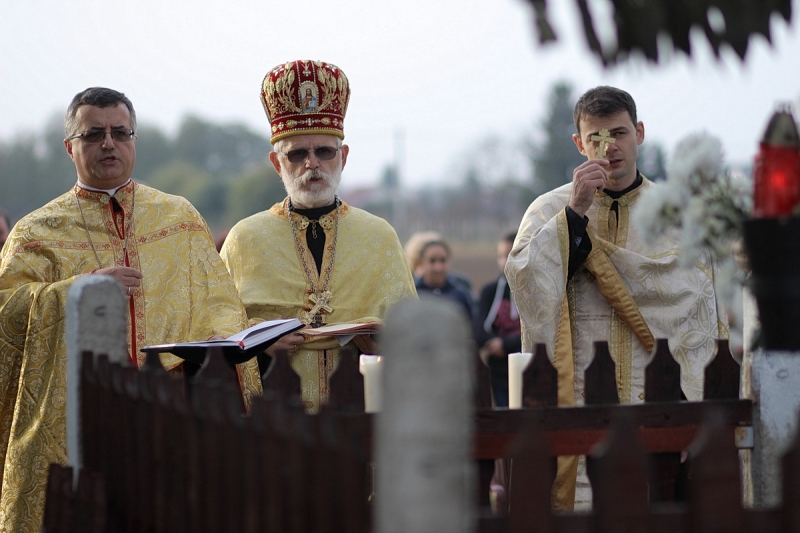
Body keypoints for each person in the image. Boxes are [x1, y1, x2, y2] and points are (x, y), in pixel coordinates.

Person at [0, 87, 262, 531]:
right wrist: (78, 291)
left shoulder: (178, 217)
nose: (108, 143)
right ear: (70, 147)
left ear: (133, 140)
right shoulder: (36, 231)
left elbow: (219, 302)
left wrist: (223, 338)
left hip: (171, 414)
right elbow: (6, 312)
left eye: (120, 132)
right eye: (94, 134)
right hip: (81, 420)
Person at [505, 86, 727, 510]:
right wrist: (574, 213)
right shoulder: (549, 208)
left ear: (639, 133)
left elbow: (704, 319)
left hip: (660, 397)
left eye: (620, 133)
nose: (609, 148)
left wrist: (693, 416)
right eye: (595, 138)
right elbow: (526, 284)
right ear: (578, 143)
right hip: (583, 393)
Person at [221, 60, 417, 412]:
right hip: (277, 412)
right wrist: (259, 341)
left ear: (342, 157)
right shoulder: (244, 239)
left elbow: (413, 334)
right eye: (297, 153)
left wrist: (377, 341)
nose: (313, 164)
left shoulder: (379, 236)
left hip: (359, 413)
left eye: (324, 152)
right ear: (276, 163)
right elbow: (218, 330)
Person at [474, 232, 521, 408]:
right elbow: (479, 330)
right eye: (500, 256)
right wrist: (495, 344)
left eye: (509, 255)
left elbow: (537, 332)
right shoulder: (489, 291)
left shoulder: (534, 291)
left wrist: (506, 344)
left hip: (529, 371)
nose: (503, 261)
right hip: (498, 372)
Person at [414, 237, 474, 322]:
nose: (438, 268)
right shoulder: (413, 295)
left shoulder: (460, 296)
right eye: (432, 261)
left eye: (442, 261)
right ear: (421, 263)